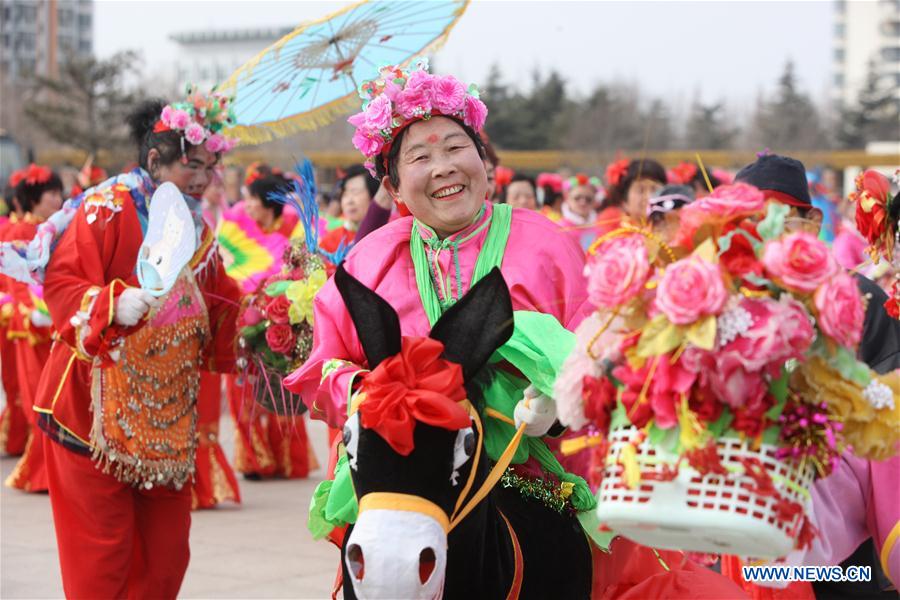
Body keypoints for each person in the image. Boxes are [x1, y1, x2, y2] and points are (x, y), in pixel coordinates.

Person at [285, 61, 597, 537]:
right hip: (408, 491)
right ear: (392, 187)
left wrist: (558, 406)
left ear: (483, 160)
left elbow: (597, 351)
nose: (444, 167)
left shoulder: (548, 247)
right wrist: (376, 394)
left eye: (456, 147)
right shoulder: (370, 262)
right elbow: (324, 368)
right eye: (420, 158)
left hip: (533, 485)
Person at [14, 90, 242, 599]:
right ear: (155, 160)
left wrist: (278, 319)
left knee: (166, 562)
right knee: (101, 562)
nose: (203, 179)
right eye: (192, 165)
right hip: (87, 416)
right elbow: (65, 283)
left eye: (211, 166)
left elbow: (224, 306)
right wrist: (110, 305)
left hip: (162, 424)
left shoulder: (198, 232)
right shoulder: (106, 208)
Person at [217, 172, 315, 481]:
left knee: (278, 385)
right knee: (243, 388)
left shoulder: (295, 230)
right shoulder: (234, 229)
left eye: (251, 199)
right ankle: (254, 460)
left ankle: (285, 457)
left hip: (280, 317)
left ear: (268, 203)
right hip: (243, 318)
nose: (245, 205)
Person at [1, 164, 62, 492]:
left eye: (57, 192)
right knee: (39, 396)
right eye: (51, 193)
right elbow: (16, 283)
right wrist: (34, 311)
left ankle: (53, 470)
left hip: (58, 324)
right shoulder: (18, 234)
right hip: (31, 327)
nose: (57, 198)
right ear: (34, 197)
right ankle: (40, 472)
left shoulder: (58, 227)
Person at [318, 164, 379, 255]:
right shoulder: (332, 239)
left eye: (355, 192)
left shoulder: (388, 233)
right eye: (345, 194)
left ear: (374, 195)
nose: (349, 201)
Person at [558, 173, 602, 251]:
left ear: (595, 201)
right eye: (577, 198)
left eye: (588, 199)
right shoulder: (559, 227)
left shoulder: (600, 226)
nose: (583, 202)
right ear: (568, 199)